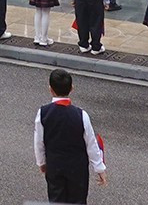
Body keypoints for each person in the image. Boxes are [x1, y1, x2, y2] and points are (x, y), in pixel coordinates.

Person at [34, 69, 106, 204]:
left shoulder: (42, 113)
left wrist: (41, 162)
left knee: (56, 200)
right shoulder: (81, 115)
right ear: (72, 88)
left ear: (50, 89)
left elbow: (39, 141)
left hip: (55, 165)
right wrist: (99, 168)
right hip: (77, 168)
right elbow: (90, 143)